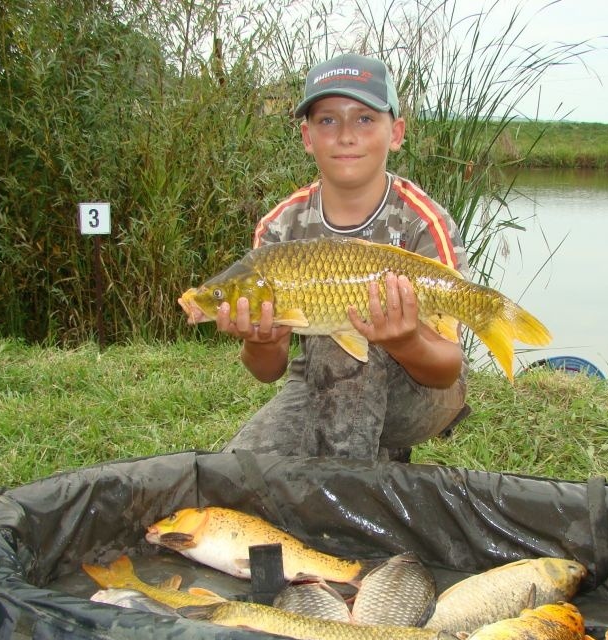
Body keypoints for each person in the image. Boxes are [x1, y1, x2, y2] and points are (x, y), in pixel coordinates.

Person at [191, 53, 470, 460]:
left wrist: (407, 340)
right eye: (327, 121)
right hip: (319, 386)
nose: (345, 135)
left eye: (364, 119)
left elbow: (446, 370)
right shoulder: (281, 227)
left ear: (396, 132)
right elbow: (267, 370)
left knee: (338, 350)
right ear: (307, 138)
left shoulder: (424, 222)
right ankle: (361, 455)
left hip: (424, 390)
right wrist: (261, 339)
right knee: (240, 475)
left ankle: (350, 483)